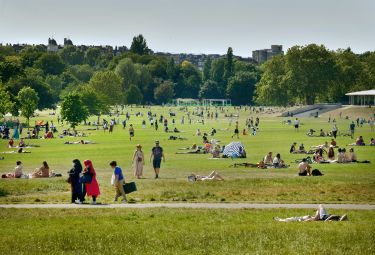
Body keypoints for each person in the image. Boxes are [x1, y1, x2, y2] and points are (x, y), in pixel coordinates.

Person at [274, 204, 347, 222]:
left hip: (321, 217)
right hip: (319, 217)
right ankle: (280, 219)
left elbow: (317, 219)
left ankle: (280, 219)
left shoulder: (334, 217)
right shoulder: (335, 218)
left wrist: (326, 220)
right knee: (295, 218)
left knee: (294, 219)